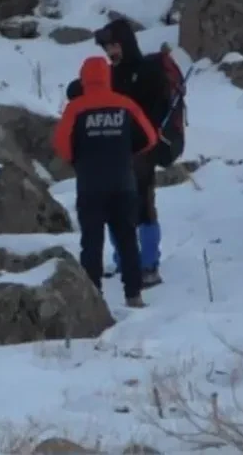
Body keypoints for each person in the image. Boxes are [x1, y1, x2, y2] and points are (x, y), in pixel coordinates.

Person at [52, 56, 158, 308]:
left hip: (90, 186)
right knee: (127, 240)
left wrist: (77, 159)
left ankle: (93, 297)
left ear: (84, 79)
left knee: (91, 242)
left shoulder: (75, 108)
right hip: (123, 184)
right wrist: (127, 151)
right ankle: (134, 294)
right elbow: (149, 138)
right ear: (107, 77)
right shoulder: (125, 104)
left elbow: (61, 145)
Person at [93, 17, 171, 287]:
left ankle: (149, 265)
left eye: (114, 45)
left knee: (143, 206)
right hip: (115, 150)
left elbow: (159, 108)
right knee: (116, 207)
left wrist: (144, 136)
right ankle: (124, 260)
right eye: (106, 48)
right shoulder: (110, 75)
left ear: (125, 42)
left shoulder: (148, 71)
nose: (110, 52)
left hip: (143, 149)